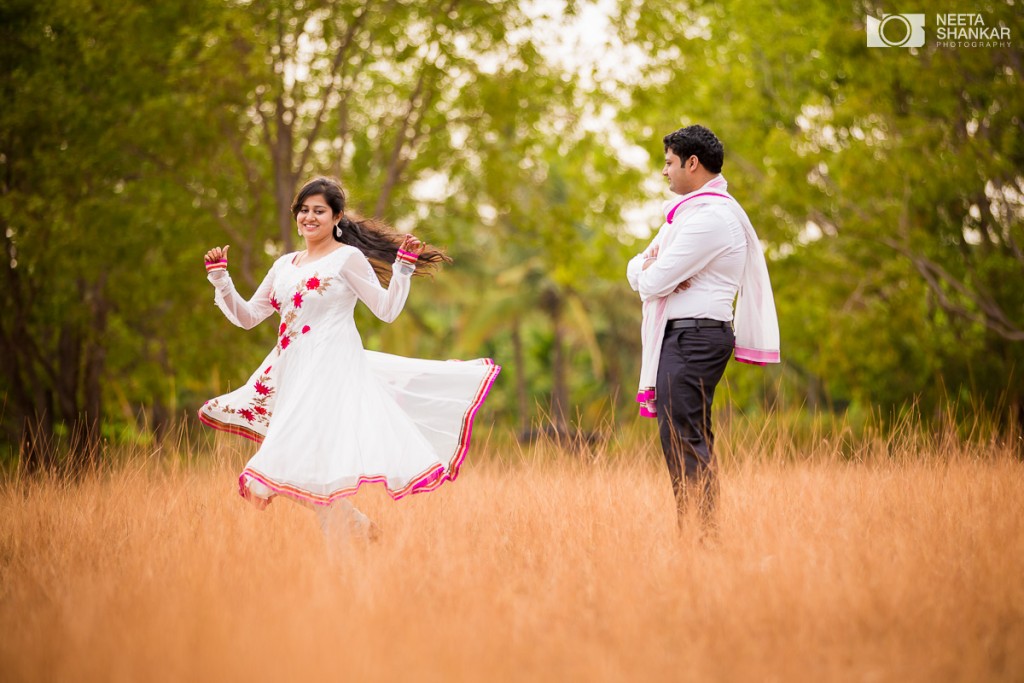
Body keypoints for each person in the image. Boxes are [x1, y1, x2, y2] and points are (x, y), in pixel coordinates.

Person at [199, 176, 501, 541]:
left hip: (331, 374)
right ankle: (356, 532)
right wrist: (221, 281)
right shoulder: (284, 266)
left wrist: (403, 269)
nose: (310, 218)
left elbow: (386, 310)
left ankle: (348, 554)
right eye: (304, 210)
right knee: (301, 471)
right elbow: (247, 318)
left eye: (319, 211)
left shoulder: (347, 259)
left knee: (268, 474)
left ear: (336, 217)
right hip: (292, 374)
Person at [627, 125, 780, 530]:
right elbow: (638, 268)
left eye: (669, 163)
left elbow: (653, 281)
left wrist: (651, 271)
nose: (664, 172)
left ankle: (701, 535)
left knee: (685, 439)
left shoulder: (712, 218)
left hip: (694, 336)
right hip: (682, 335)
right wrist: (648, 269)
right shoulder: (688, 215)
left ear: (691, 163)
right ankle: (697, 533)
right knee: (682, 437)